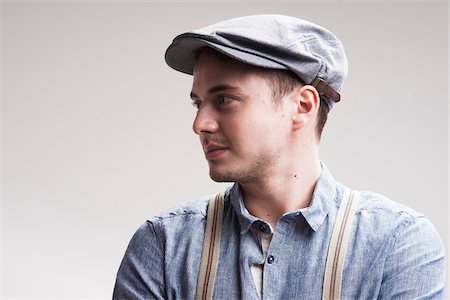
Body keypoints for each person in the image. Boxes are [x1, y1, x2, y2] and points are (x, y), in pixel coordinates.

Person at [113, 15, 445, 299]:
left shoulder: (396, 243)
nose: (200, 124)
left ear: (303, 107)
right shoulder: (164, 244)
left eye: (225, 99)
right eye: (198, 103)